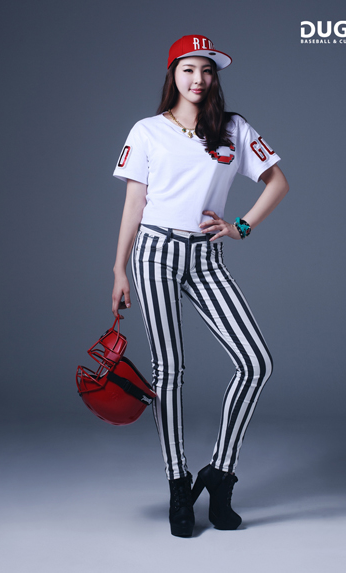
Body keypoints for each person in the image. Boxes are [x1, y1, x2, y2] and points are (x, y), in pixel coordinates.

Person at [111, 34, 289, 538]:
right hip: (155, 253)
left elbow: (278, 182)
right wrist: (119, 269)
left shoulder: (233, 129)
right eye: (189, 69)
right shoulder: (147, 131)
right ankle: (178, 483)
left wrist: (241, 226)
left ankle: (220, 473)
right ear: (173, 74)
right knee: (169, 372)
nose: (199, 79)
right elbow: (134, 203)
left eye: (207, 70)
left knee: (256, 362)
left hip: (207, 256)